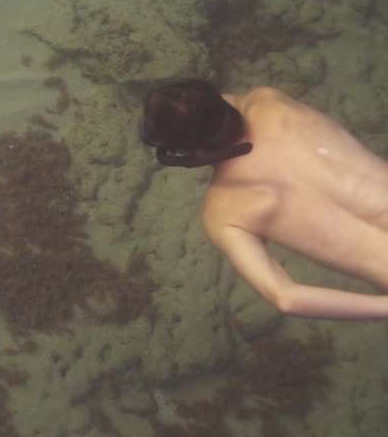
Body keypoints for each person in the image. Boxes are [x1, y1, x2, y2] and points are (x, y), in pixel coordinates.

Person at [140, 78, 388, 319]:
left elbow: (287, 298)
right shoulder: (270, 101)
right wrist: (197, 107)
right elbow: (226, 109)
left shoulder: (222, 214)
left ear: (187, 154)